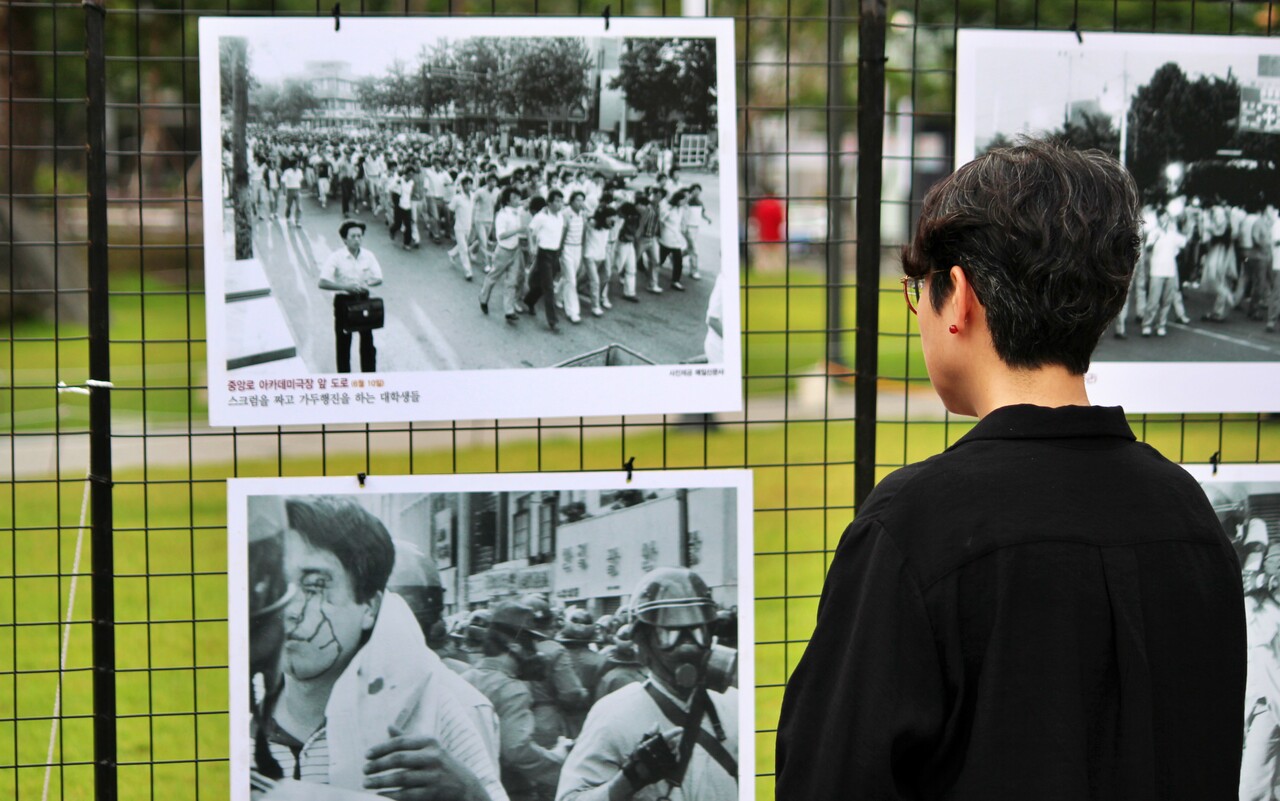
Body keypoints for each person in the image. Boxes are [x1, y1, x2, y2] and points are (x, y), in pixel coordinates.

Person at [774, 138, 1246, 800]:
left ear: (959, 297)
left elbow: (829, 777)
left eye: (919, 291)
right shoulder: (1191, 515)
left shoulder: (914, 526)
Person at [251, 495, 507, 801]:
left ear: (370, 607)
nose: (291, 610)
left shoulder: (434, 712)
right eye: (280, 586)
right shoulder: (234, 712)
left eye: (315, 586)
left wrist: (469, 793)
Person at [556, 568, 738, 801]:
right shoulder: (613, 715)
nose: (687, 647)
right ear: (643, 642)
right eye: (669, 634)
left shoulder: (734, 706)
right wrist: (627, 781)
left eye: (697, 632)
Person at [463, 602, 569, 801]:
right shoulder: (512, 689)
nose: (535, 651)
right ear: (515, 646)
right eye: (531, 643)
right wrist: (559, 760)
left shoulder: (466, 677)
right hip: (506, 789)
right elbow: (517, 751)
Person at [318, 220, 382, 373]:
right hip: (344, 302)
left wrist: (366, 283)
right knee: (343, 343)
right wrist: (345, 287)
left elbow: (378, 278)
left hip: (363, 300)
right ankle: (345, 379)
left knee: (367, 342)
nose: (357, 240)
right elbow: (322, 282)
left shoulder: (368, 256)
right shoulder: (336, 257)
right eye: (353, 236)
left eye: (360, 236)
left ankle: (369, 377)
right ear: (344, 239)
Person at [480, 186, 527, 324]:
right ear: (507, 201)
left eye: (518, 197)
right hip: (503, 251)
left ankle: (509, 311)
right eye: (514, 197)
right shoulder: (502, 215)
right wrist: (518, 230)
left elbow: (525, 203)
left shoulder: (517, 211)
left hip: (515, 250)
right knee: (493, 277)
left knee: (512, 282)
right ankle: (483, 298)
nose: (517, 200)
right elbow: (501, 236)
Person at [524, 191, 566, 333]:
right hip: (544, 253)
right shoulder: (541, 217)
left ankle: (529, 300)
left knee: (542, 285)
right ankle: (553, 321)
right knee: (549, 287)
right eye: (557, 201)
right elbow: (529, 230)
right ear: (549, 202)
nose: (560, 204)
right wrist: (531, 246)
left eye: (561, 201)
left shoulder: (560, 216)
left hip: (555, 254)